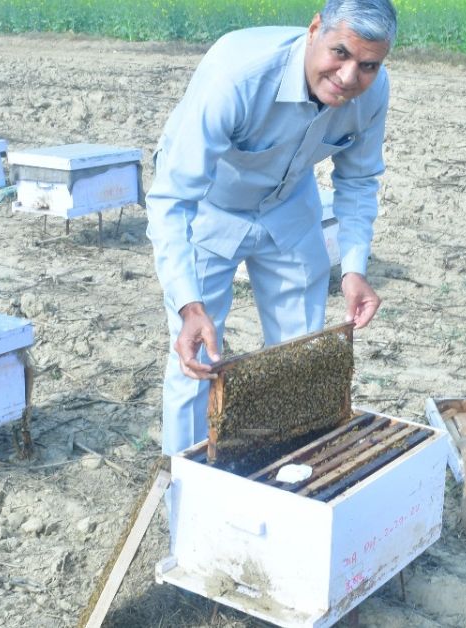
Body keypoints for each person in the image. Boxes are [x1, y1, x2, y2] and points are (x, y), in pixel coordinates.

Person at [146, 0, 396, 458]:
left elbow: (358, 181)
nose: (348, 77)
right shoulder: (236, 75)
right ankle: (184, 485)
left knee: (298, 355)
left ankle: (288, 468)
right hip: (211, 204)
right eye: (339, 53)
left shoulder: (371, 94)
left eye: (367, 65)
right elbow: (172, 198)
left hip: (288, 205)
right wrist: (187, 303)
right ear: (315, 28)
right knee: (198, 358)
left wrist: (355, 268)